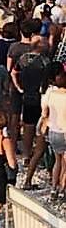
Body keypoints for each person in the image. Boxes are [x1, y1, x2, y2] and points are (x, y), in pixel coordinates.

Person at [40, 64, 66, 202]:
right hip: (64, 132)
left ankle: (53, 188)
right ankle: (62, 189)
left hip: (53, 131)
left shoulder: (50, 94)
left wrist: (43, 128)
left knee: (57, 161)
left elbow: (45, 113)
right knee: (65, 164)